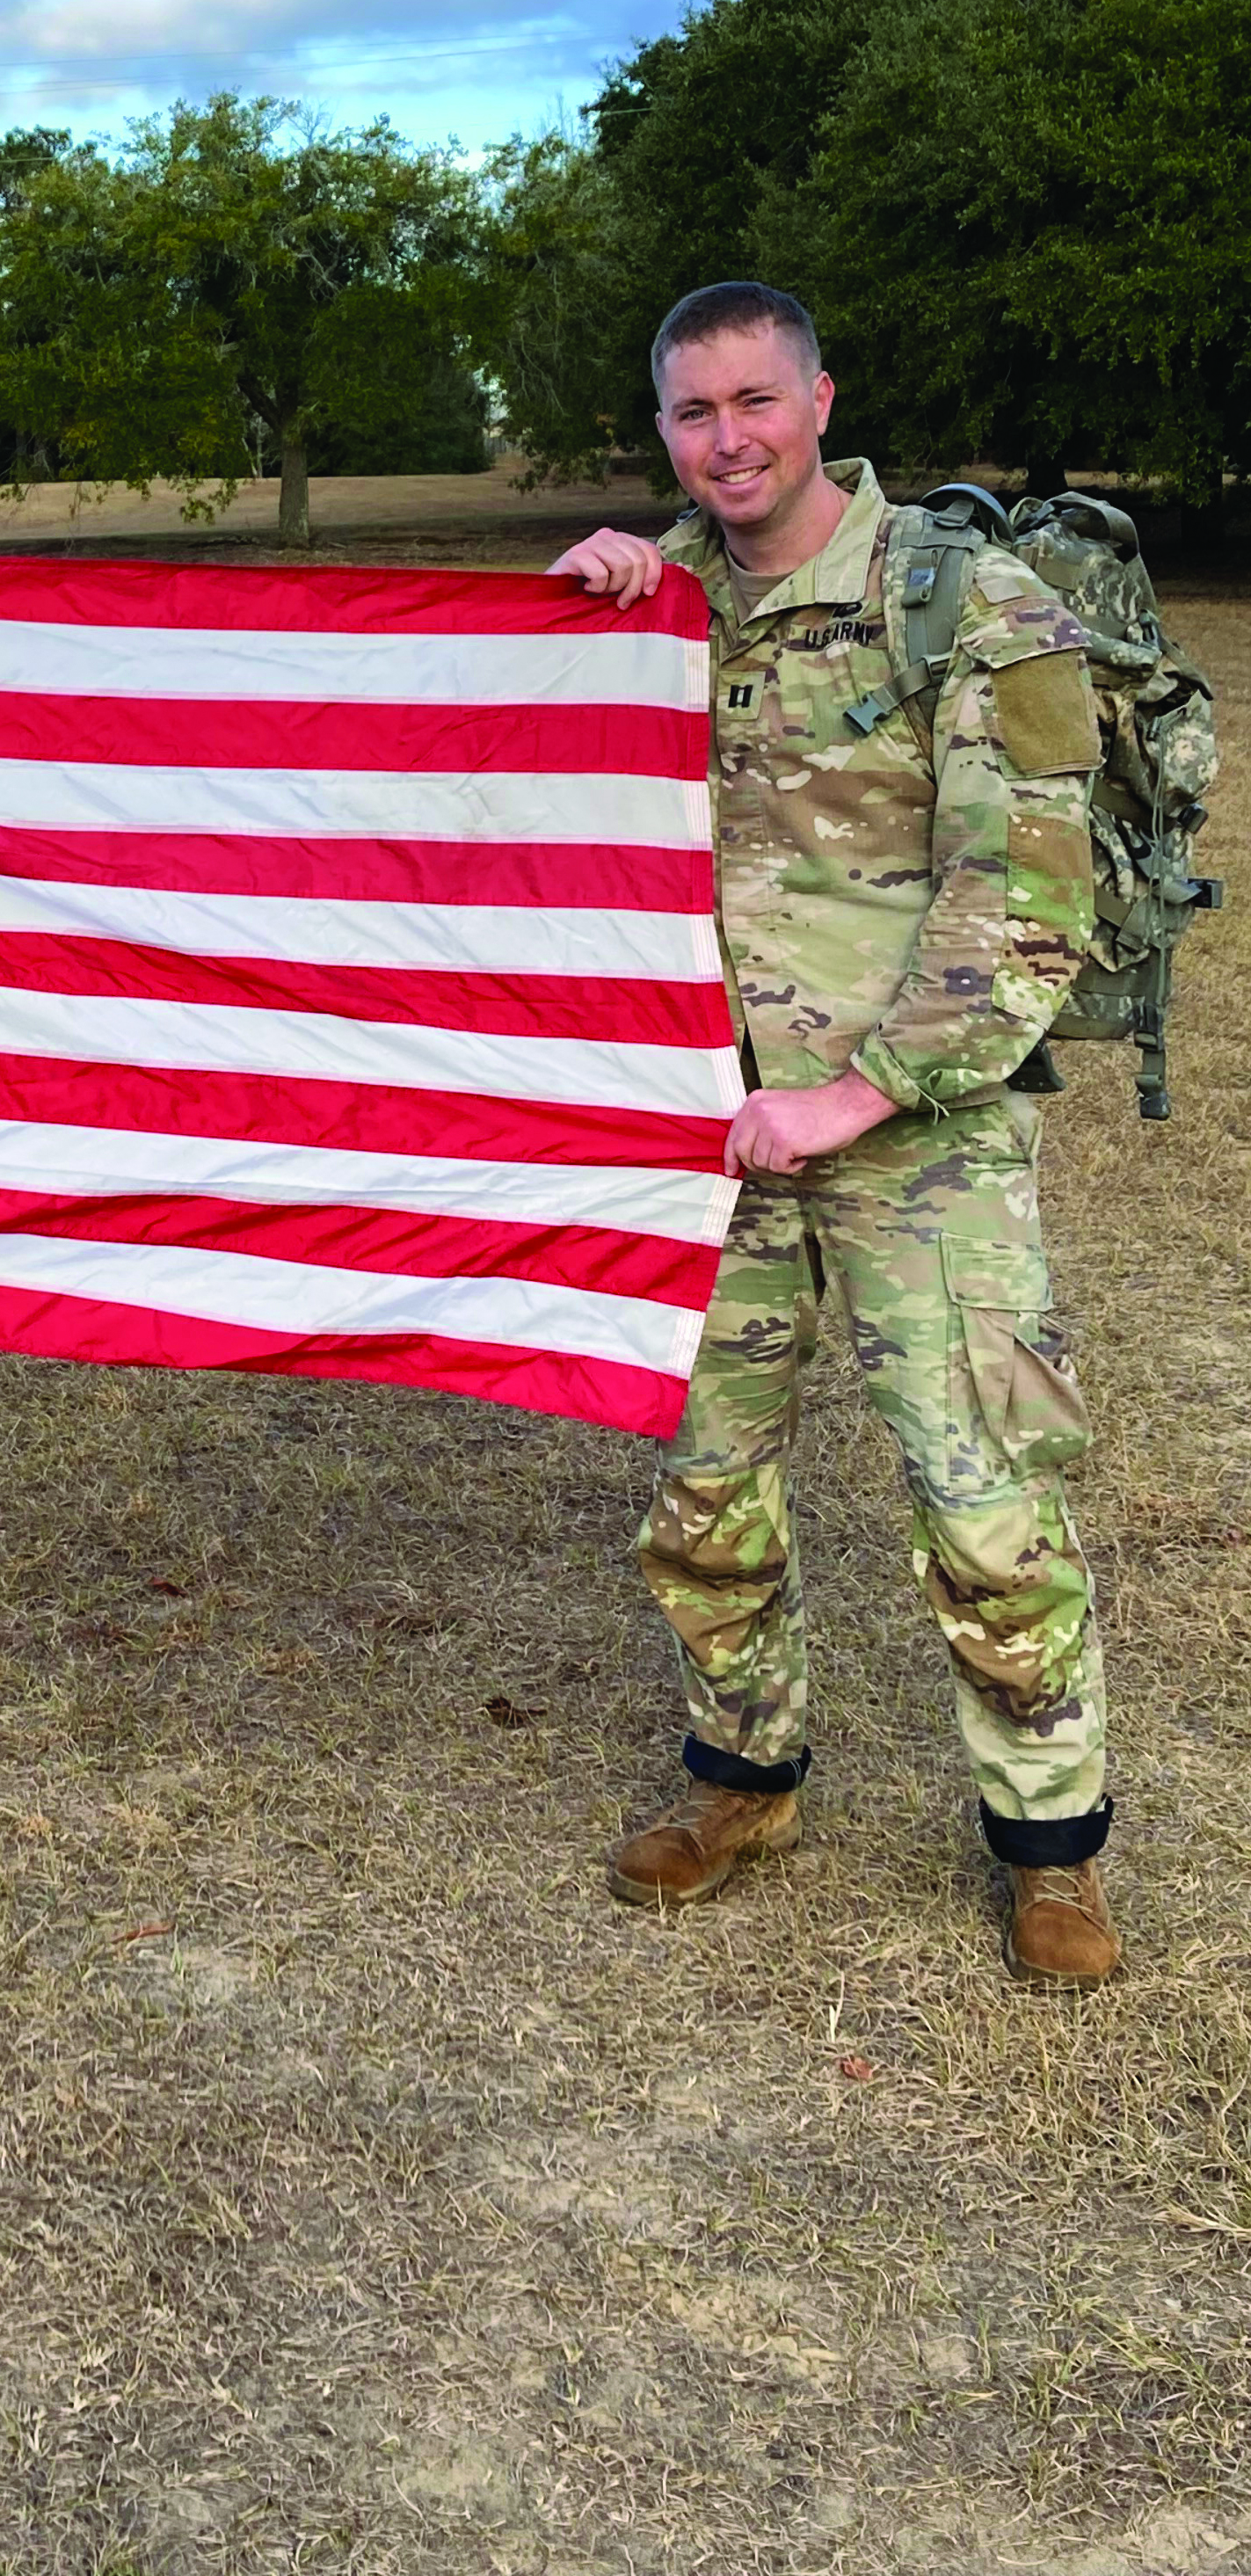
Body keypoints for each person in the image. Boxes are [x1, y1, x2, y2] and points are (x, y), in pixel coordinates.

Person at [552, 281, 1116, 1991]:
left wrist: (857, 1092)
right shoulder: (658, 605)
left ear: (817, 398)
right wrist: (575, 620)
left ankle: (1046, 1846)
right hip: (708, 1144)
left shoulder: (968, 603)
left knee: (985, 1500)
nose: (726, 438)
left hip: (909, 1130)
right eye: (690, 412)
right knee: (702, 1487)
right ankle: (743, 1775)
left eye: (753, 401)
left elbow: (1023, 888)